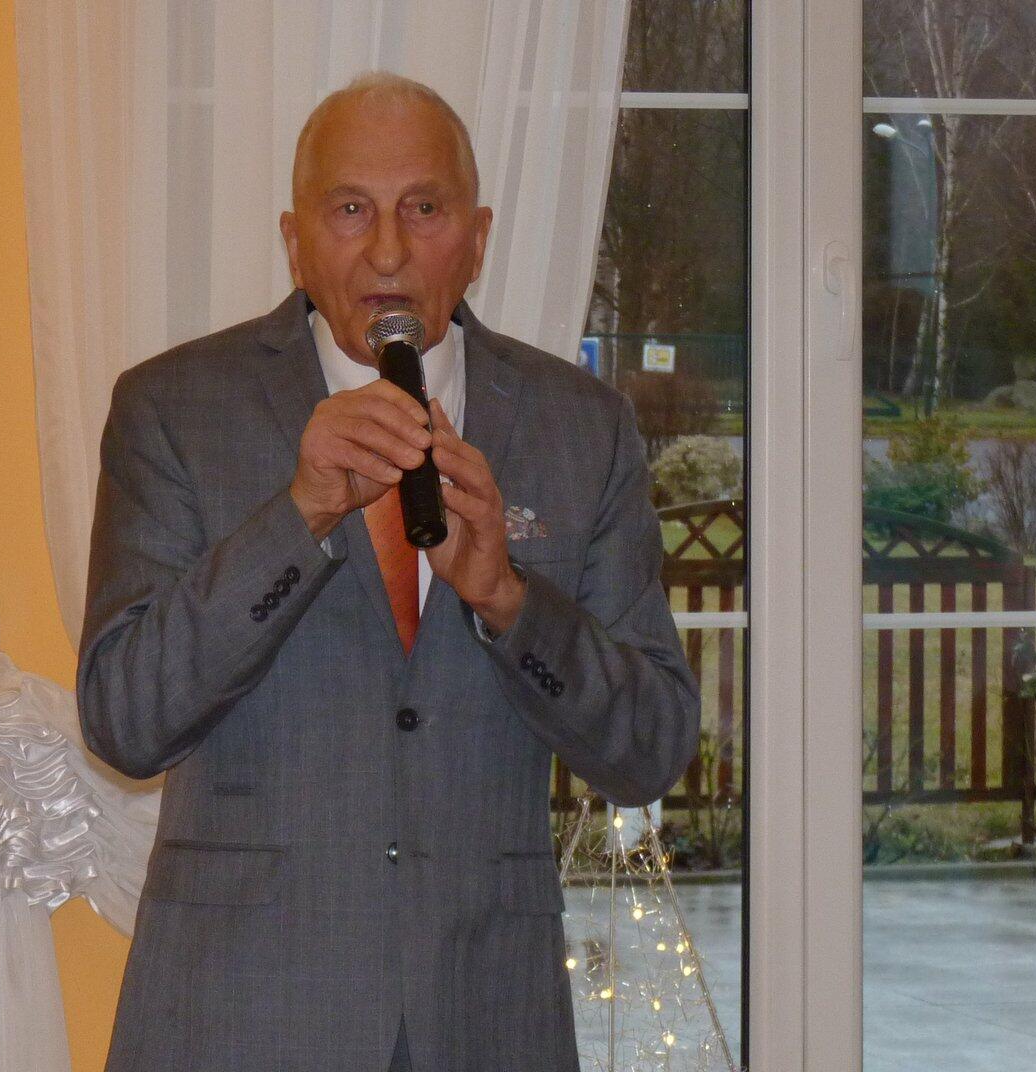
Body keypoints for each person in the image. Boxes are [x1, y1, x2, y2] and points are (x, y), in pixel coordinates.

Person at [76, 71, 700, 1072]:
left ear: (478, 237)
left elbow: (651, 748)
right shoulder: (173, 411)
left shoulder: (581, 428)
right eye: (350, 210)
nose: (388, 250)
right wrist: (298, 516)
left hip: (487, 1018)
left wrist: (507, 599)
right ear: (295, 242)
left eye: (424, 208)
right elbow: (124, 721)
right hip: (237, 1019)